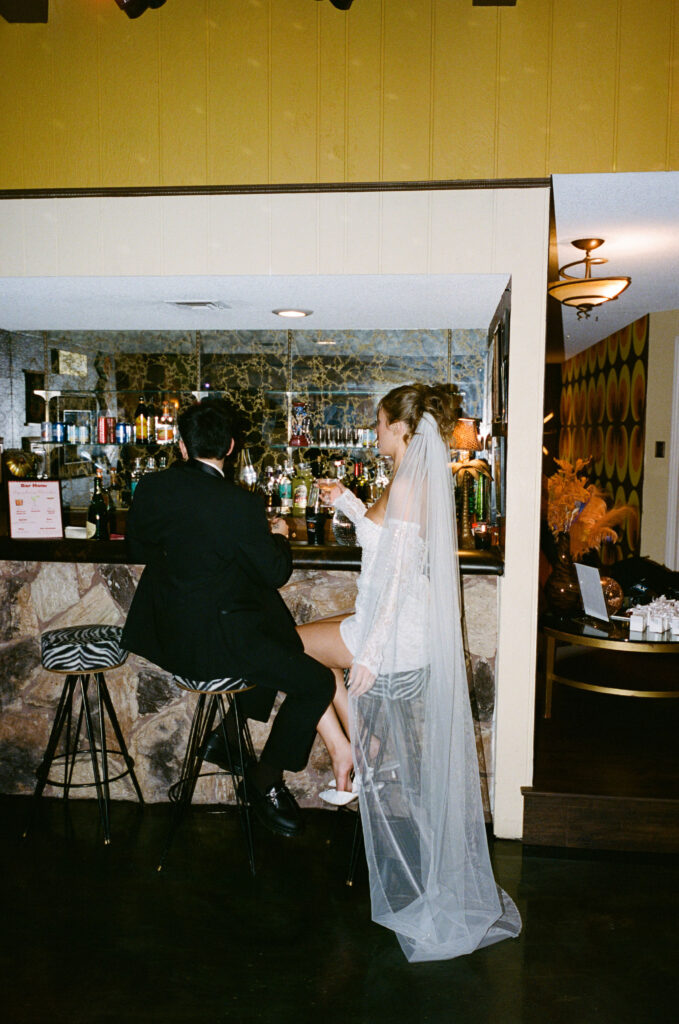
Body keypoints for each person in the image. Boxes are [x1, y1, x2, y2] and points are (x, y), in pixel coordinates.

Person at [298, 383, 522, 962]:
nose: (373, 432)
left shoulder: (406, 482)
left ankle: (350, 747)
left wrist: (368, 655)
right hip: (393, 622)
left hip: (391, 632)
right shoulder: (413, 479)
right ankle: (354, 740)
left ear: (401, 428)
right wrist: (346, 499)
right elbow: (387, 549)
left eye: (378, 423)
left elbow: (395, 580)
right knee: (295, 647)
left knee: (286, 649)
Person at [122, 398, 335, 838]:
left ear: (182, 446)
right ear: (232, 447)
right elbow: (275, 572)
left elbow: (138, 549)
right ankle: (265, 782)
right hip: (218, 646)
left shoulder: (151, 488)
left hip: (168, 637)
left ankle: (227, 734)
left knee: (280, 637)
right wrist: (279, 536)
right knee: (318, 682)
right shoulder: (239, 504)